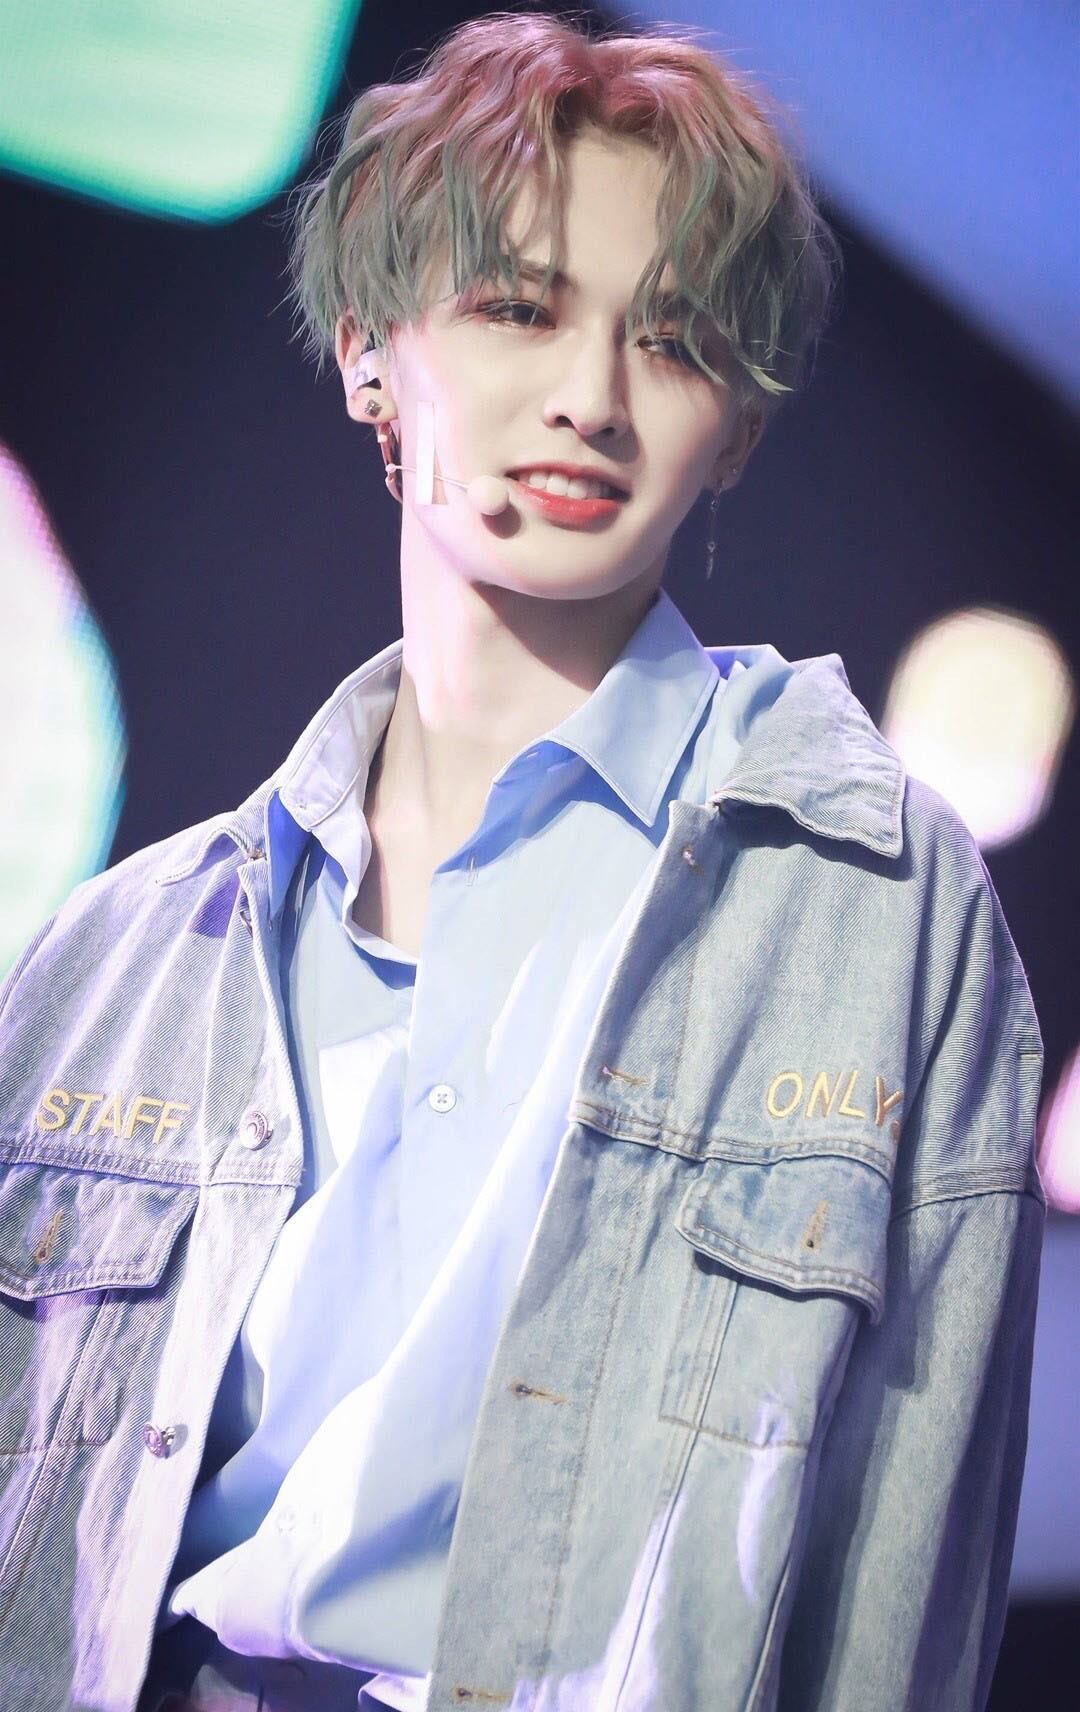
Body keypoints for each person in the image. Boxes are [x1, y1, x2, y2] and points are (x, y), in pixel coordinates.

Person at [0, 11, 1044, 1712]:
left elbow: (908, 1582)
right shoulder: (120, 957)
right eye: (517, 308)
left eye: (675, 340)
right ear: (369, 351)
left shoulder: (874, 907)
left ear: (740, 426)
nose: (590, 400)